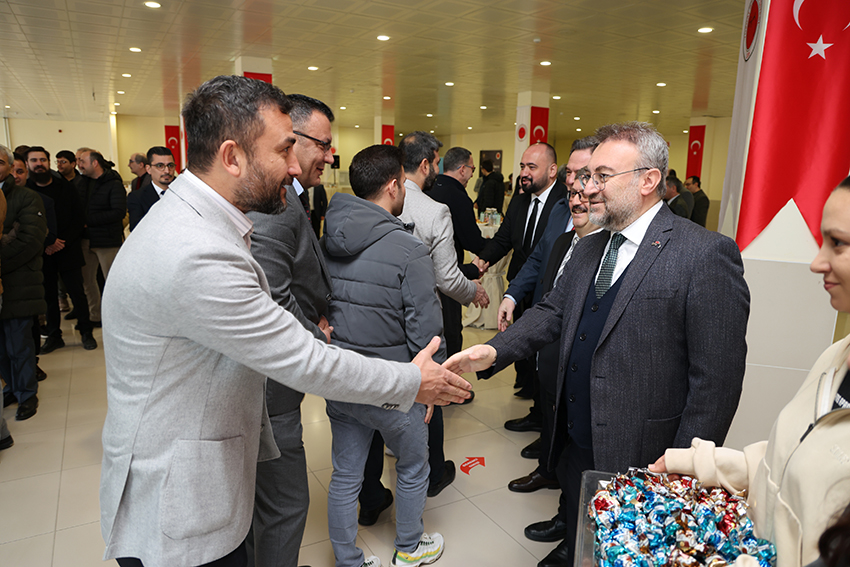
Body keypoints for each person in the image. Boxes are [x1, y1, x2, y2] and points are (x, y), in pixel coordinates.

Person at [99, 75, 470, 567]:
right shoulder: (197, 253)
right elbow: (302, 358)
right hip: (179, 505)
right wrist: (410, 380)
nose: (295, 167)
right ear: (232, 157)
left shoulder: (199, 220)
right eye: (284, 150)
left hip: (193, 469)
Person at [444, 121, 750, 567]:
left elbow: (717, 382)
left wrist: (682, 468)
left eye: (602, 176)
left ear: (648, 181)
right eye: (588, 177)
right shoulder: (590, 246)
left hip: (646, 454)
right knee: (585, 532)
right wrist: (494, 350)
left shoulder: (703, 254)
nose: (587, 189)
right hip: (575, 436)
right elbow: (553, 312)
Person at [651, 175, 850, 567]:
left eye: (839, 243)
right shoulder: (835, 358)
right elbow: (793, 463)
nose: (816, 262)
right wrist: (703, 463)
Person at [323, 144, 445, 567]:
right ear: (394, 185)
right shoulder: (408, 249)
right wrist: (428, 390)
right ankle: (409, 548)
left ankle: (347, 559)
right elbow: (426, 332)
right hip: (394, 384)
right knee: (413, 465)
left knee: (345, 475)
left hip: (342, 378)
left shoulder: (329, 235)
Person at [244, 93, 336, 567]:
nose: (328, 156)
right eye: (321, 144)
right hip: (269, 395)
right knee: (284, 507)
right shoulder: (273, 208)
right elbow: (271, 302)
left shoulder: (293, 197)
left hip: (271, 387)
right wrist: (317, 337)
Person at [475, 143, 566, 397]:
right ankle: (527, 384)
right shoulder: (518, 202)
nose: (524, 173)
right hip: (519, 284)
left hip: (548, 290)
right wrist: (482, 260)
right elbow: (504, 240)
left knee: (543, 346)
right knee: (521, 337)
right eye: (522, 167)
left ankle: (540, 403)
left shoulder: (565, 203)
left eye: (532, 167)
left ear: (552, 170)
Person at [24, 146, 96, 353]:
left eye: (43, 160)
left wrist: (61, 241)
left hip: (68, 247)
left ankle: (86, 331)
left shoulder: (65, 187)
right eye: (34, 160)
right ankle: (55, 335)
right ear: (28, 164)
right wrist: (48, 242)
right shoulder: (27, 190)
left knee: (77, 293)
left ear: (48, 163)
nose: (39, 164)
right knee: (48, 296)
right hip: (42, 252)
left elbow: (78, 217)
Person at [0, 144, 48, 422]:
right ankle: (12, 387)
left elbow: (28, 241)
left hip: (19, 283)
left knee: (19, 345)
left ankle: (27, 394)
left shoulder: (27, 198)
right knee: (1, 349)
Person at [427, 147, 488, 360]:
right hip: (448, 275)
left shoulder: (429, 189)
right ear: (462, 169)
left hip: (425, 277)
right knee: (451, 331)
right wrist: (486, 256)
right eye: (471, 169)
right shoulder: (458, 197)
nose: (472, 174)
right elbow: (471, 240)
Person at [127, 147, 176, 231]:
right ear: (148, 169)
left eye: (170, 165)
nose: (167, 171)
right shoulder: (137, 197)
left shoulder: (186, 193)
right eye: (160, 166)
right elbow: (136, 229)